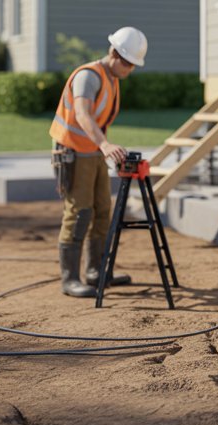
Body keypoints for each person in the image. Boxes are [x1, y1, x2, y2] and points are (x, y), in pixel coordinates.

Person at [49, 26, 147, 298]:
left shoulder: (112, 78)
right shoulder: (88, 77)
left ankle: (95, 271)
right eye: (127, 63)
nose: (130, 69)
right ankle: (70, 279)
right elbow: (82, 114)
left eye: (133, 65)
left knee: (103, 209)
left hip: (92, 152)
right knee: (79, 212)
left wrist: (104, 148)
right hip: (72, 152)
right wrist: (104, 145)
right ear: (113, 53)